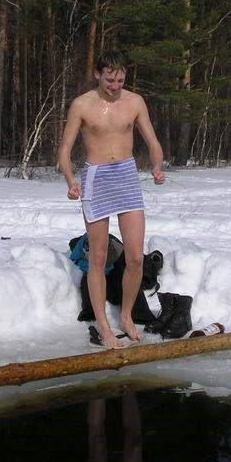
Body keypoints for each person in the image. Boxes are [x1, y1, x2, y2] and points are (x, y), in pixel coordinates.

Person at [58, 50, 165, 348]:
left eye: (120, 79)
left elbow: (153, 141)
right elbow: (65, 149)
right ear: (97, 74)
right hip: (97, 178)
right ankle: (103, 325)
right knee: (99, 256)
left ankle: (127, 316)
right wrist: (70, 180)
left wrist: (157, 166)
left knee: (134, 257)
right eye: (109, 79)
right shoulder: (81, 105)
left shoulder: (135, 102)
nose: (115, 85)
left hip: (127, 176)